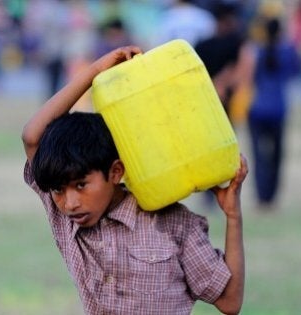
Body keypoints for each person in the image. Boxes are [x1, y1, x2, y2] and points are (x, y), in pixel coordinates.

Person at [21, 46, 248, 314]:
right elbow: (32, 137)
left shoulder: (174, 223)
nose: (69, 202)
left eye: (81, 185)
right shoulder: (68, 223)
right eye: (59, 190)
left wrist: (233, 217)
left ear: (116, 172)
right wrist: (95, 71)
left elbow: (229, 302)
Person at [241, 18, 301, 210]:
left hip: (257, 108)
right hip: (278, 109)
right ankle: (272, 197)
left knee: (259, 156)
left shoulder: (255, 51)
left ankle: (261, 196)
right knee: (276, 155)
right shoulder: (287, 51)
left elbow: (247, 78)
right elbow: (297, 72)